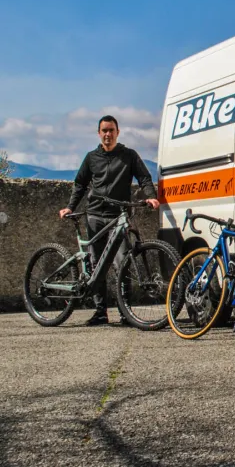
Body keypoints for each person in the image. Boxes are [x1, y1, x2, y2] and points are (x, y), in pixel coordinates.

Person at [59, 115, 160, 326]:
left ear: (117, 132)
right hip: (95, 216)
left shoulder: (129, 155)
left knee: (123, 263)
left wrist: (151, 196)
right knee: (97, 266)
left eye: (111, 130)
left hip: (118, 216)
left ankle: (125, 314)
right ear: (99, 133)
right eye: (104, 130)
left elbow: (144, 177)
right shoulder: (91, 157)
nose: (108, 134)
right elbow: (80, 184)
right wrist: (70, 207)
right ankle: (100, 313)